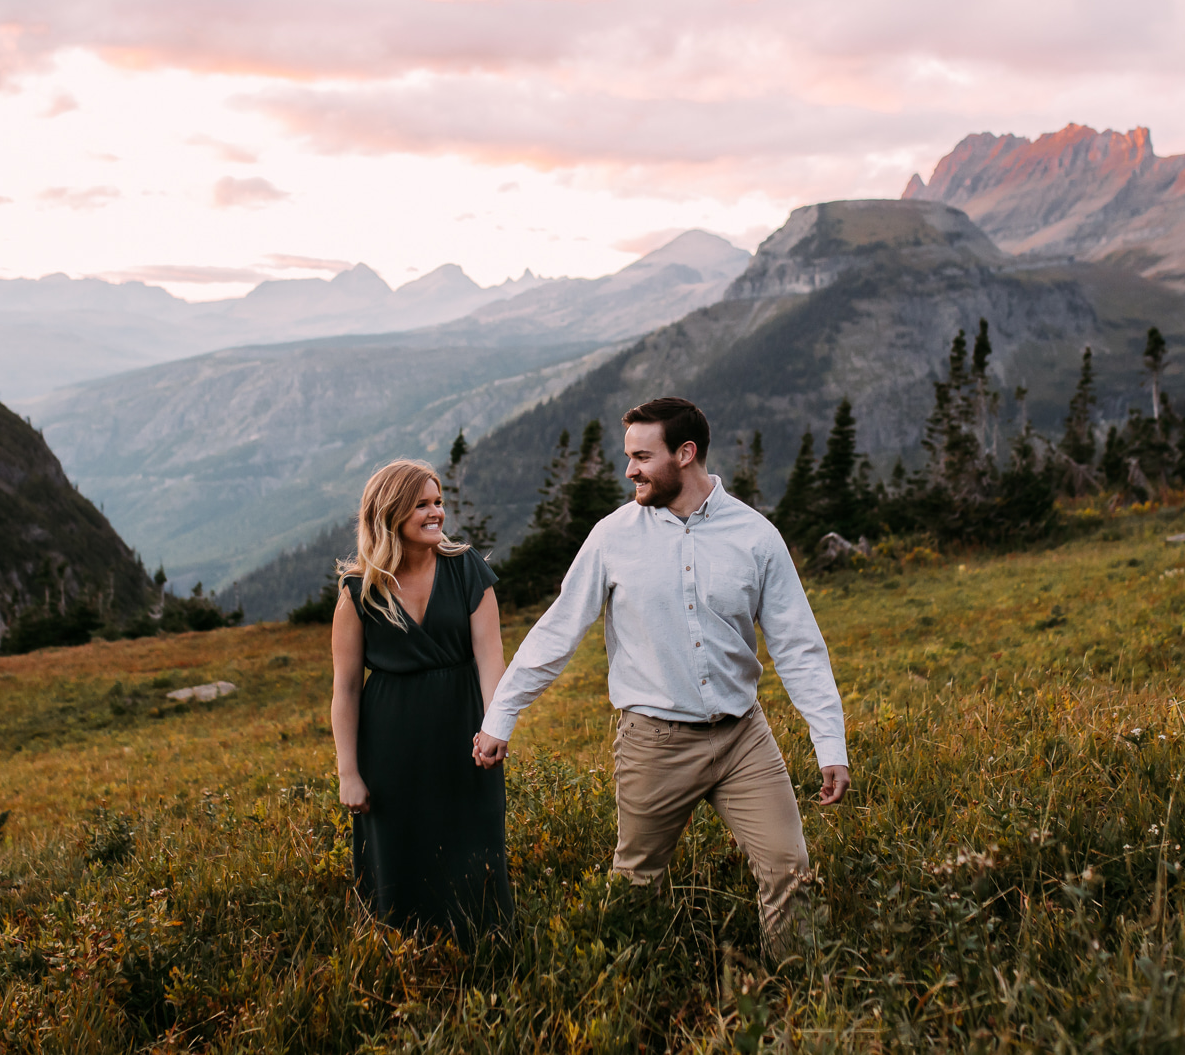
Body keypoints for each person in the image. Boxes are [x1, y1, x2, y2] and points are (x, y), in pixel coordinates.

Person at [473, 397, 849, 964]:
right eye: (629, 457)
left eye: (642, 457)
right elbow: (556, 632)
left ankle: (797, 998)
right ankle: (630, 999)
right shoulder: (612, 537)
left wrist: (830, 744)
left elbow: (799, 648)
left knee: (790, 872)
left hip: (744, 739)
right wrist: (502, 716)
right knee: (635, 887)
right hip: (654, 743)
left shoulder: (756, 536)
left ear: (686, 454)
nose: (630, 471)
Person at [330, 459, 512, 937]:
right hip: (389, 746)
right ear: (390, 513)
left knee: (475, 842)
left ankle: (484, 948)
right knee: (398, 851)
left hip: (465, 734)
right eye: (422, 505)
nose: (436, 513)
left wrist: (498, 727)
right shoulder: (358, 591)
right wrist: (348, 772)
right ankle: (401, 952)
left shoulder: (467, 568)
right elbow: (345, 689)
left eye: (438, 503)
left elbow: (492, 659)